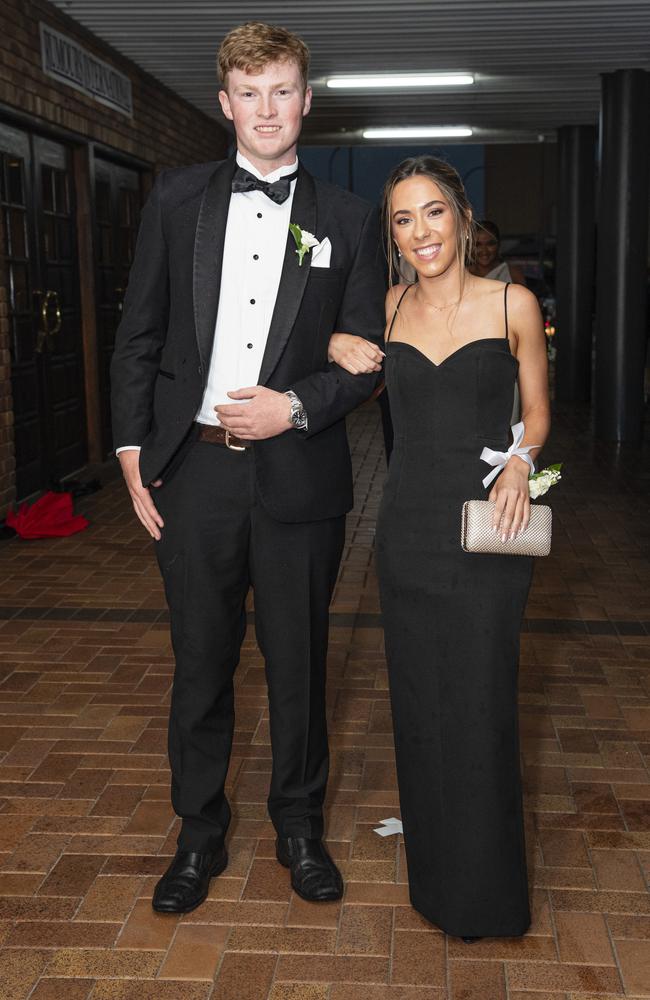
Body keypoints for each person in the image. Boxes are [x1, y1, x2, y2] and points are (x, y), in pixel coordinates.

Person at [110, 21, 385, 915]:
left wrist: (294, 405)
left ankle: (299, 830)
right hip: (195, 474)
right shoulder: (176, 199)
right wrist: (131, 453)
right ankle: (198, 834)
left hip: (300, 474)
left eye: (283, 91)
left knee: (300, 664)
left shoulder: (348, 218)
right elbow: (139, 337)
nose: (267, 110)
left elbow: (365, 356)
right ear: (224, 104)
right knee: (200, 663)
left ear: (307, 101)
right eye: (249, 93)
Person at [329, 156, 550, 940]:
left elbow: (538, 412)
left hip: (491, 533)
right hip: (410, 533)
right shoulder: (384, 309)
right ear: (391, 236)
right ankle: (437, 883)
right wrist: (334, 344)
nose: (420, 231)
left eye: (432, 212)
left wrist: (522, 461)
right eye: (402, 219)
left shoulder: (512, 302)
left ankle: (487, 892)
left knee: (482, 703)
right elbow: (332, 356)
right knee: (420, 705)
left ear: (460, 215)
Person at [471, 219, 527, 284]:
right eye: (478, 245)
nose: (484, 251)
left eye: (490, 244)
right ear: (469, 246)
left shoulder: (512, 273)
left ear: (499, 244)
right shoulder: (463, 274)